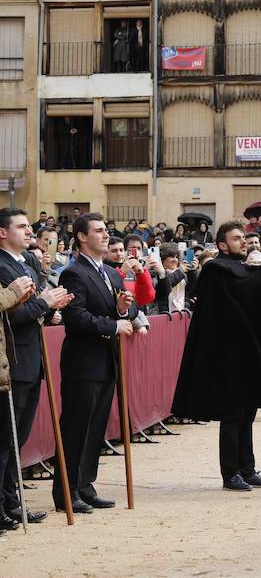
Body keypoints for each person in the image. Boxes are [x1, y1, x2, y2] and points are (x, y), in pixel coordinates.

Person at [172, 221, 261, 492]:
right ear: (221, 245)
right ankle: (230, 474)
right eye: (237, 238)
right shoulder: (216, 269)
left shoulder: (243, 268)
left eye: (244, 237)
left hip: (249, 352)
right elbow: (243, 293)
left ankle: (247, 468)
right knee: (233, 415)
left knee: (248, 413)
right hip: (227, 356)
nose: (244, 242)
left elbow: (258, 298)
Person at [54, 213, 145, 513]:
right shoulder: (73, 273)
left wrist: (121, 312)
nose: (106, 236)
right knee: (77, 426)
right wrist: (112, 326)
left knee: (96, 428)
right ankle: (66, 490)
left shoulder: (112, 273)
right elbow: (76, 317)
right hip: (83, 361)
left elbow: (129, 313)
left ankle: (85, 484)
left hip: (107, 361)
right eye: (99, 231)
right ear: (82, 237)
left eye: (106, 231)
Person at [0, 208, 71, 527]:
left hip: (32, 359)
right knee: (5, 438)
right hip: (11, 362)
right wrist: (44, 304)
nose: (30, 231)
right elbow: (9, 316)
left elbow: (32, 308)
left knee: (18, 439)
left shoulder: (28, 261)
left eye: (30, 226)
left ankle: (12, 502)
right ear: (3, 232)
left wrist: (49, 309)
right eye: (22, 226)